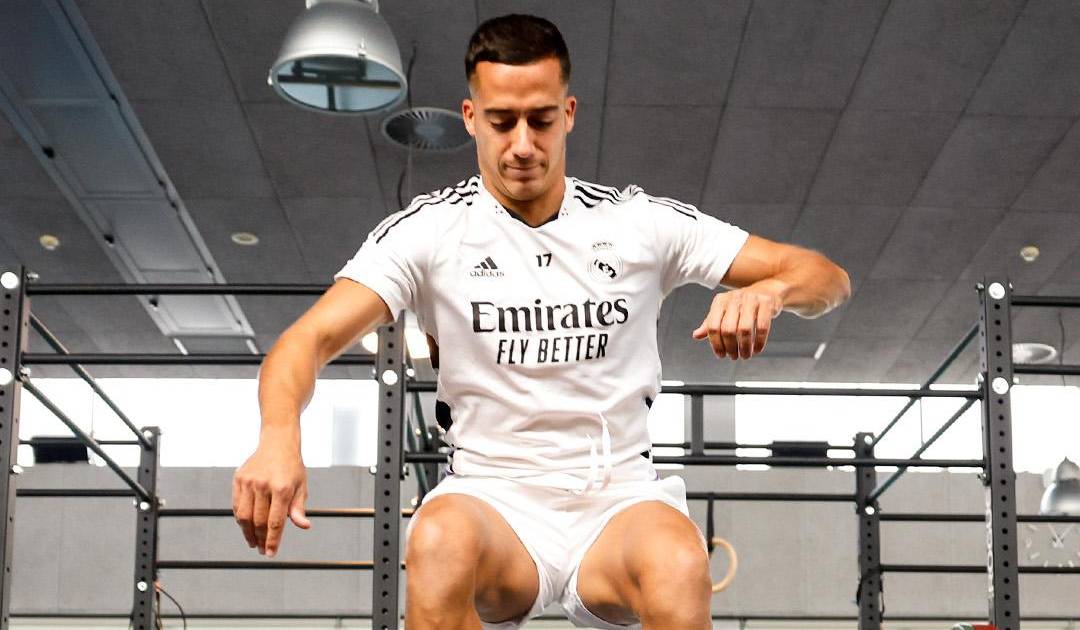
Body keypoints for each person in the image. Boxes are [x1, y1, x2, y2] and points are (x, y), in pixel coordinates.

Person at [233, 14, 851, 630]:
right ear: (471, 117)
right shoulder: (430, 231)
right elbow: (307, 339)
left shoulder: (637, 223)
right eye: (502, 122)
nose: (523, 145)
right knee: (437, 542)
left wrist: (771, 291)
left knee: (680, 562)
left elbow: (826, 279)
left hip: (618, 499)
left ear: (569, 113)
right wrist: (279, 434)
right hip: (492, 497)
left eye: (541, 120)